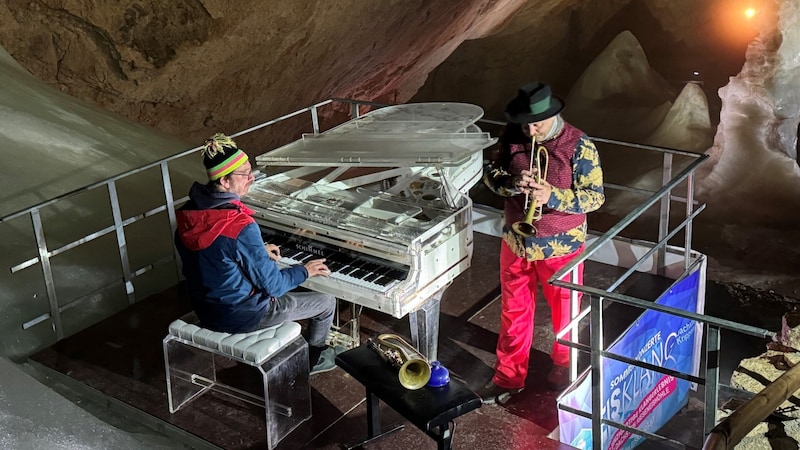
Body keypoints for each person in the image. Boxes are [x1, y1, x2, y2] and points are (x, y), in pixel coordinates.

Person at [477, 82, 605, 404]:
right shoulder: (512, 138)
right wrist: (512, 184)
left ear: (553, 115)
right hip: (517, 243)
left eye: (537, 123)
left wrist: (553, 196)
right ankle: (508, 378)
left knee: (566, 315)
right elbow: (490, 175)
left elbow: (595, 198)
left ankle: (564, 366)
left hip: (562, 247)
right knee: (513, 312)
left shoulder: (579, 146)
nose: (530, 129)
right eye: (526, 123)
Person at [174, 132, 338, 375]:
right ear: (225, 181)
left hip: (206, 309)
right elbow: (273, 286)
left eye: (251, 170)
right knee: (326, 302)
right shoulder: (240, 226)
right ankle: (314, 359)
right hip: (243, 315)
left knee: (289, 281)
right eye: (244, 174)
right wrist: (305, 270)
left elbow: (214, 254)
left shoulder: (189, 215)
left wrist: (257, 250)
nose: (251, 178)